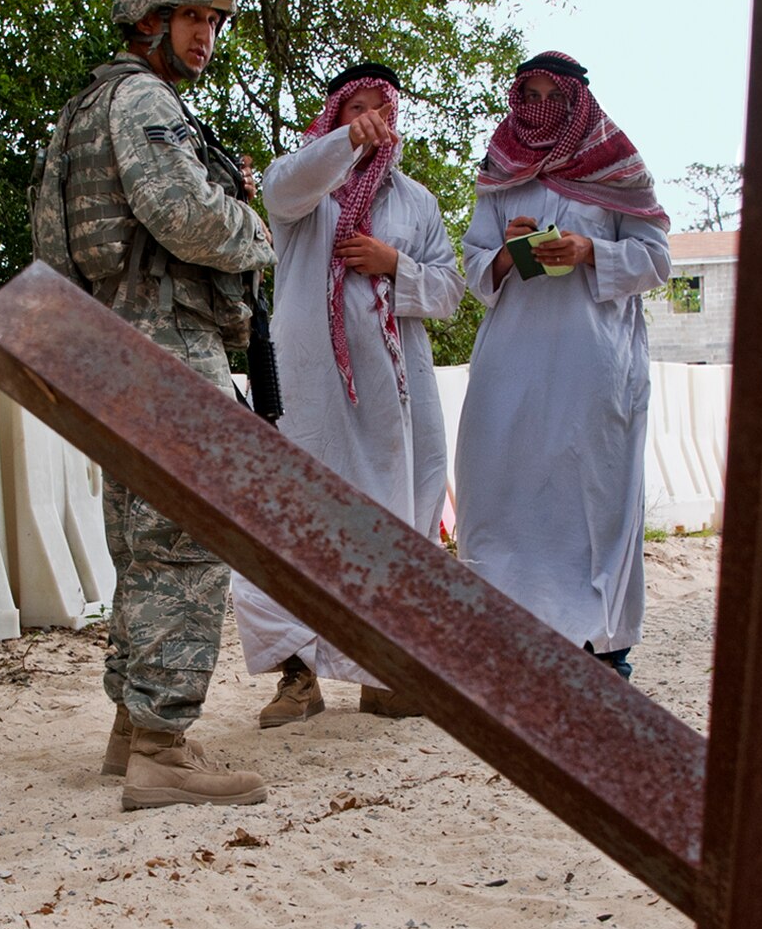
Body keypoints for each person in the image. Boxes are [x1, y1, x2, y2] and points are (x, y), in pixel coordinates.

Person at [33, 0, 276, 807]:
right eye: (193, 18)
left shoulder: (89, 106)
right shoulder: (144, 101)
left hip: (109, 343)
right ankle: (164, 752)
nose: (207, 35)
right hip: (165, 338)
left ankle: (131, 732)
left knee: (142, 542)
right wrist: (253, 227)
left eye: (214, 21)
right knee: (188, 535)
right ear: (149, 20)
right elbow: (183, 217)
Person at [231, 64, 465, 724]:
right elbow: (281, 188)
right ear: (333, 116)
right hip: (306, 388)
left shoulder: (414, 200)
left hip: (392, 394)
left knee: (389, 525)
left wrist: (396, 265)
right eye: (354, 109)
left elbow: (449, 290)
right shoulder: (307, 183)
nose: (369, 122)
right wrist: (342, 147)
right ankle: (297, 678)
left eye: (379, 111)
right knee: (292, 522)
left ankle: (383, 672)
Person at [455, 51, 670, 679]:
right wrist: (506, 250)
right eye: (530, 94)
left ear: (577, 101)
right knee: (503, 497)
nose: (539, 108)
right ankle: (515, 648)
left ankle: (603, 658)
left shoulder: (616, 166)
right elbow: (472, 265)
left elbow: (655, 260)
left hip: (593, 367)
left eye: (554, 96)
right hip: (512, 367)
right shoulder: (502, 170)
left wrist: (588, 250)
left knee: (591, 505)